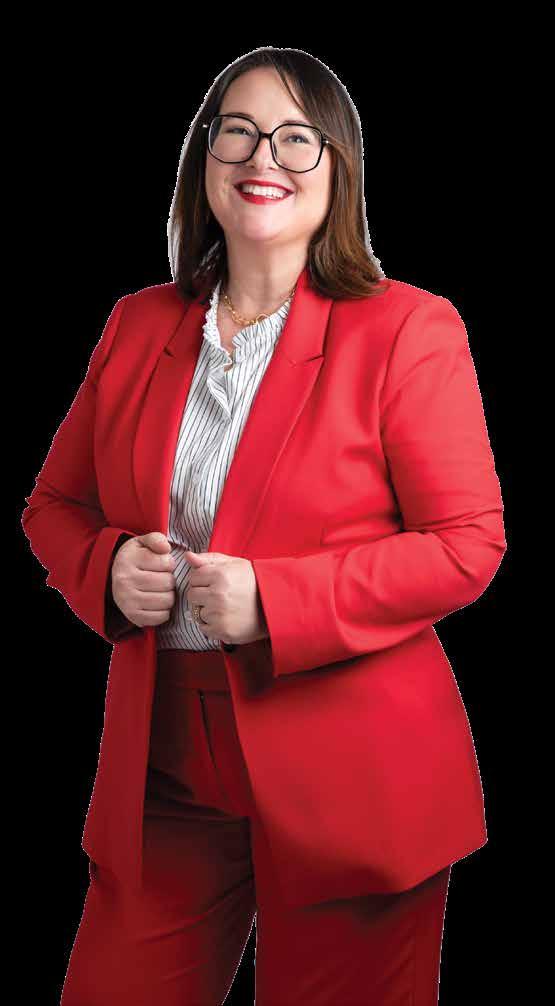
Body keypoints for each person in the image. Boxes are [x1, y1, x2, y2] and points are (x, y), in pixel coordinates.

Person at [22, 47, 507, 1006]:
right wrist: (106, 567)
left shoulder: (408, 330)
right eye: (236, 131)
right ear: (202, 156)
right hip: (163, 765)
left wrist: (275, 600)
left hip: (351, 771)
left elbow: (466, 544)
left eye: (296, 138)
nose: (262, 157)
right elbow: (53, 506)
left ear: (339, 168)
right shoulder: (136, 323)